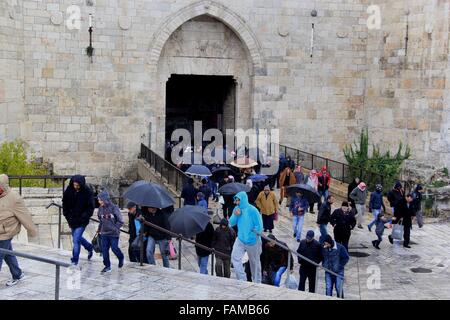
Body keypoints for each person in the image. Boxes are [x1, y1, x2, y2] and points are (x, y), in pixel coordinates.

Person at [0, 174, 38, 287]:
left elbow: (25, 216)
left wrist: (32, 231)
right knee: (8, 254)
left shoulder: (14, 198)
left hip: (7, 232)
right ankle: (17, 274)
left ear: (4, 186)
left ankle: (17, 275)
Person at [230, 191, 263, 283]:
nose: (236, 202)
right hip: (240, 239)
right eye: (235, 200)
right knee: (235, 257)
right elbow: (231, 223)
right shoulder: (236, 209)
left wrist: (252, 235)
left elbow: (259, 226)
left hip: (253, 241)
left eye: (238, 200)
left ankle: (257, 282)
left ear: (243, 200)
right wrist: (235, 215)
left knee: (254, 263)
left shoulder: (253, 210)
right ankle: (242, 278)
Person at [62, 174, 95, 266]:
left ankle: (74, 260)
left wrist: (83, 217)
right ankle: (89, 247)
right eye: (74, 185)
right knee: (77, 238)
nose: (76, 187)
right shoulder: (69, 191)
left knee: (76, 239)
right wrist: (67, 216)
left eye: (78, 185)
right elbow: (65, 204)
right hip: (72, 220)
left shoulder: (87, 192)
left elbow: (90, 207)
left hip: (82, 221)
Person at [97, 191, 125, 274]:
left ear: (105, 199)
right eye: (98, 200)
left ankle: (121, 257)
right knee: (104, 250)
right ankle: (107, 266)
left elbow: (121, 221)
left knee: (114, 248)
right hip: (104, 233)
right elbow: (101, 220)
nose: (99, 202)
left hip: (113, 233)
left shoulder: (114, 208)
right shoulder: (100, 208)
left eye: (100, 200)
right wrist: (99, 229)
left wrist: (115, 228)